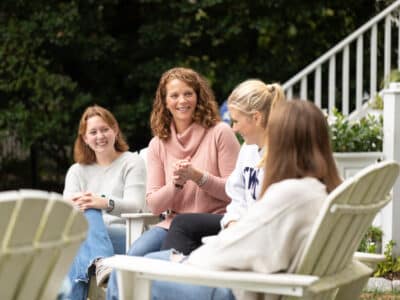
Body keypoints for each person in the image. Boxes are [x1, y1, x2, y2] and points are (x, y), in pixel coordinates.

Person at [145, 99, 342, 300]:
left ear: (282, 141)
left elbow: (233, 250)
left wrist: (182, 260)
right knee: (154, 259)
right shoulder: (321, 191)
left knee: (130, 272)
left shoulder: (289, 194)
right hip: (261, 281)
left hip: (238, 289)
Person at [106, 67, 240, 300]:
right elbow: (154, 205)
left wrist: (199, 177)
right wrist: (175, 185)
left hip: (214, 221)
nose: (182, 101)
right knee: (130, 261)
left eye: (188, 93)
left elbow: (234, 192)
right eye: (174, 95)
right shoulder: (159, 143)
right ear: (164, 102)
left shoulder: (221, 133)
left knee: (159, 269)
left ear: (198, 97)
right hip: (172, 222)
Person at [160, 79, 285, 255]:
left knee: (172, 242)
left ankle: (159, 271)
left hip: (259, 240)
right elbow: (237, 195)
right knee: (181, 226)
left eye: (236, 121)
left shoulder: (283, 158)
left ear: (256, 117)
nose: (233, 129)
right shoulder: (248, 150)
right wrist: (232, 222)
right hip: (239, 229)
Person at [63, 105, 146, 300]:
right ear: (85, 138)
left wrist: (102, 202)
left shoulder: (131, 162)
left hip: (126, 235)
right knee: (82, 222)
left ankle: (100, 260)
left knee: (85, 218)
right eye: (93, 132)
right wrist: (85, 204)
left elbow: (136, 205)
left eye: (105, 129)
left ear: (115, 130)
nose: (100, 136)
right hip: (85, 239)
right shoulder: (77, 170)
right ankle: (100, 261)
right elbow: (67, 209)